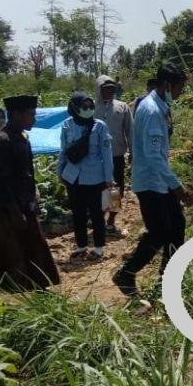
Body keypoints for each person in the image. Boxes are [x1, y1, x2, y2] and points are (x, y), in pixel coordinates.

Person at [113, 64, 188, 298]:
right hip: (150, 182)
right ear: (167, 85)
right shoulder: (152, 110)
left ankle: (168, 279)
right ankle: (126, 273)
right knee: (159, 233)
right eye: (179, 88)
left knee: (177, 227)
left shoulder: (158, 106)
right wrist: (177, 185)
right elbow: (154, 155)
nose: (180, 93)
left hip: (159, 181)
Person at [0, 95, 59, 289]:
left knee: (32, 247)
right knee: (13, 250)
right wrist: (14, 212)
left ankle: (36, 288)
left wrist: (33, 192)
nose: (34, 119)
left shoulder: (21, 138)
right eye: (30, 115)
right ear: (16, 115)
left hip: (24, 204)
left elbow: (26, 172)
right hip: (8, 208)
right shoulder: (2, 142)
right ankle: (14, 291)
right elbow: (1, 184)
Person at [58, 92, 114, 260]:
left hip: (95, 178)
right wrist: (60, 172)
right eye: (84, 107)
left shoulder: (100, 126)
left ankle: (98, 248)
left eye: (91, 107)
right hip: (73, 177)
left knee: (97, 214)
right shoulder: (67, 126)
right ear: (74, 108)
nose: (89, 110)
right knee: (78, 214)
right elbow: (63, 151)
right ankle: (81, 246)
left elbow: (107, 153)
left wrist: (108, 179)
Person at [95, 75, 133, 237]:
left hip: (116, 156)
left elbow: (130, 131)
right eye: (106, 89)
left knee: (116, 190)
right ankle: (98, 221)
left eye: (112, 89)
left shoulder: (122, 107)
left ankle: (111, 222)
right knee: (98, 190)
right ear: (99, 90)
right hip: (96, 158)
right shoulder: (91, 107)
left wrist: (132, 152)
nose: (110, 92)